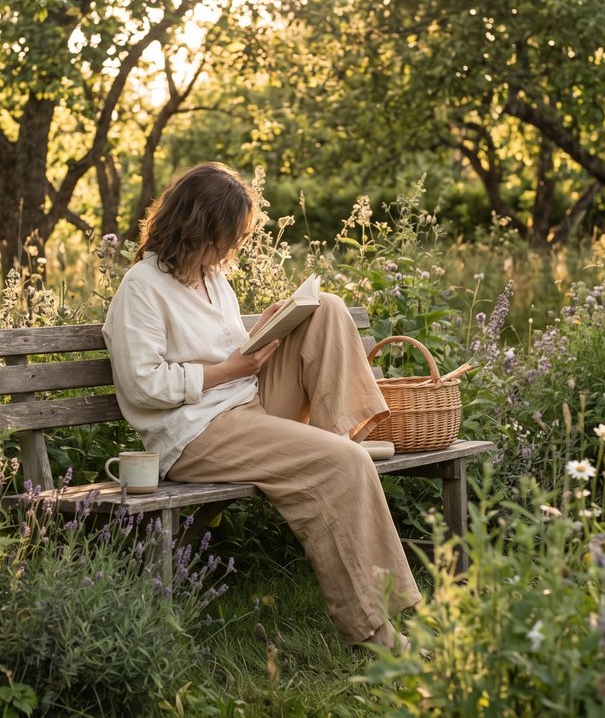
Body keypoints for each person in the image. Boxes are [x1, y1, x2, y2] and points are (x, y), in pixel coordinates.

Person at [102, 162, 420, 648]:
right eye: (227, 236)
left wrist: (266, 329)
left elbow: (224, 351)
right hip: (194, 433)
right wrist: (229, 371)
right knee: (345, 466)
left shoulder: (211, 276)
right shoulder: (141, 289)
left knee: (327, 309)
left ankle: (336, 445)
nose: (233, 249)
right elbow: (142, 384)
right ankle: (373, 629)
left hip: (245, 402)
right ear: (195, 228)